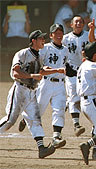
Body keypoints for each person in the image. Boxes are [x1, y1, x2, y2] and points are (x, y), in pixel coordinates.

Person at [0, 30, 65, 158]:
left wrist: (57, 70)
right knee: (10, 120)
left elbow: (40, 71)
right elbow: (15, 73)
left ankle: (42, 149)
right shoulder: (22, 53)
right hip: (19, 90)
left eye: (43, 38)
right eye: (40, 38)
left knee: (35, 120)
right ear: (33, 41)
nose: (43, 40)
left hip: (31, 92)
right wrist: (31, 75)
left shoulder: (39, 56)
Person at [18, 24, 69, 150]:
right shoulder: (45, 48)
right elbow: (40, 66)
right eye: (55, 32)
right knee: (39, 110)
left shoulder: (66, 50)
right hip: (46, 83)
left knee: (59, 109)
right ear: (51, 35)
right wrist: (55, 70)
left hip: (60, 84)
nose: (58, 34)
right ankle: (25, 118)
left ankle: (57, 136)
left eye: (60, 32)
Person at [62, 15, 89, 137]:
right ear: (71, 24)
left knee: (84, 95)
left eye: (80, 22)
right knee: (73, 96)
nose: (78, 24)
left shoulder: (88, 35)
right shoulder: (65, 38)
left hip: (85, 70)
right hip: (71, 70)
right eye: (76, 22)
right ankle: (76, 124)